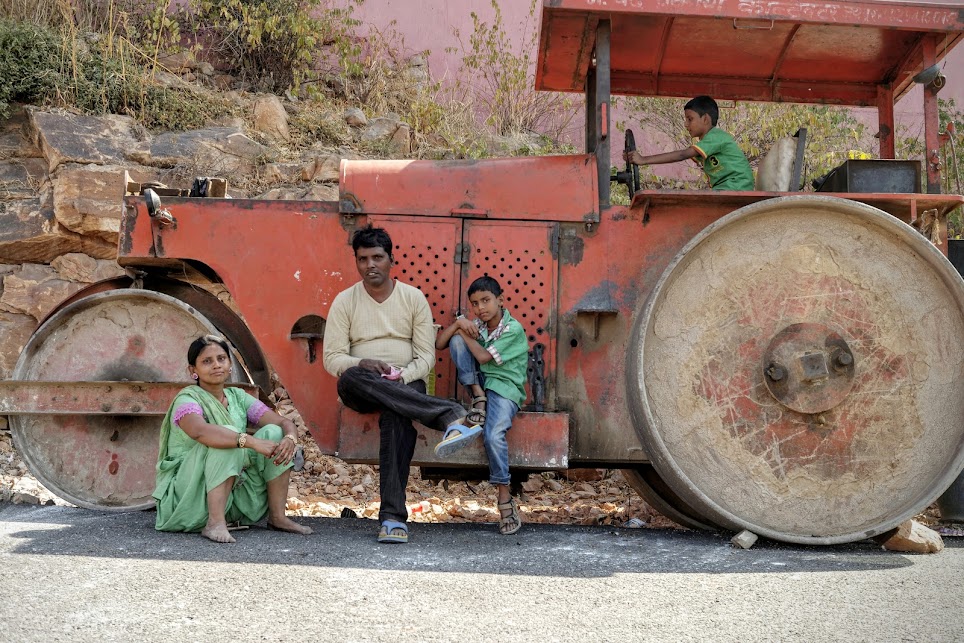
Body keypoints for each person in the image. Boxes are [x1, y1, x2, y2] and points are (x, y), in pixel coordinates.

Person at [323, 225, 481, 544]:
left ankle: (392, 519)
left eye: (377, 257)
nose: (370, 265)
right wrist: (362, 363)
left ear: (391, 259)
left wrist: (401, 377)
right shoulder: (344, 301)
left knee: (395, 415)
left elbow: (426, 358)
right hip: (362, 384)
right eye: (363, 258)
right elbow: (332, 359)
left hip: (406, 382)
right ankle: (449, 414)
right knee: (352, 376)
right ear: (356, 261)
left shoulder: (412, 298)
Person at [154, 334, 312, 543]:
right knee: (228, 436)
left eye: (221, 359)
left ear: (230, 365)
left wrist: (290, 438)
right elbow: (200, 431)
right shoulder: (187, 399)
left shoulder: (237, 397)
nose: (216, 365)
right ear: (193, 371)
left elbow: (283, 423)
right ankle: (215, 523)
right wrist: (250, 441)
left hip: (233, 491)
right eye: (207, 361)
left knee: (274, 432)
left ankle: (277, 517)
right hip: (187, 494)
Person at [435, 276, 529, 535]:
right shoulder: (478, 325)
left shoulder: (513, 329)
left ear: (500, 300)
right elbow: (440, 344)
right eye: (475, 304)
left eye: (486, 301)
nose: (480, 308)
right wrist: (458, 325)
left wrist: (463, 331)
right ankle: (477, 398)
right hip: (484, 386)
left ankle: (504, 499)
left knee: (493, 435)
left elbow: (483, 356)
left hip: (505, 389)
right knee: (454, 339)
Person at [624, 95, 754, 191]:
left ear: (705, 119)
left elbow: (682, 155)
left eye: (690, 119)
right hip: (726, 189)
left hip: (736, 188)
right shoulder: (707, 142)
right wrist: (633, 158)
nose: (686, 124)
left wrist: (643, 160)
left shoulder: (716, 137)